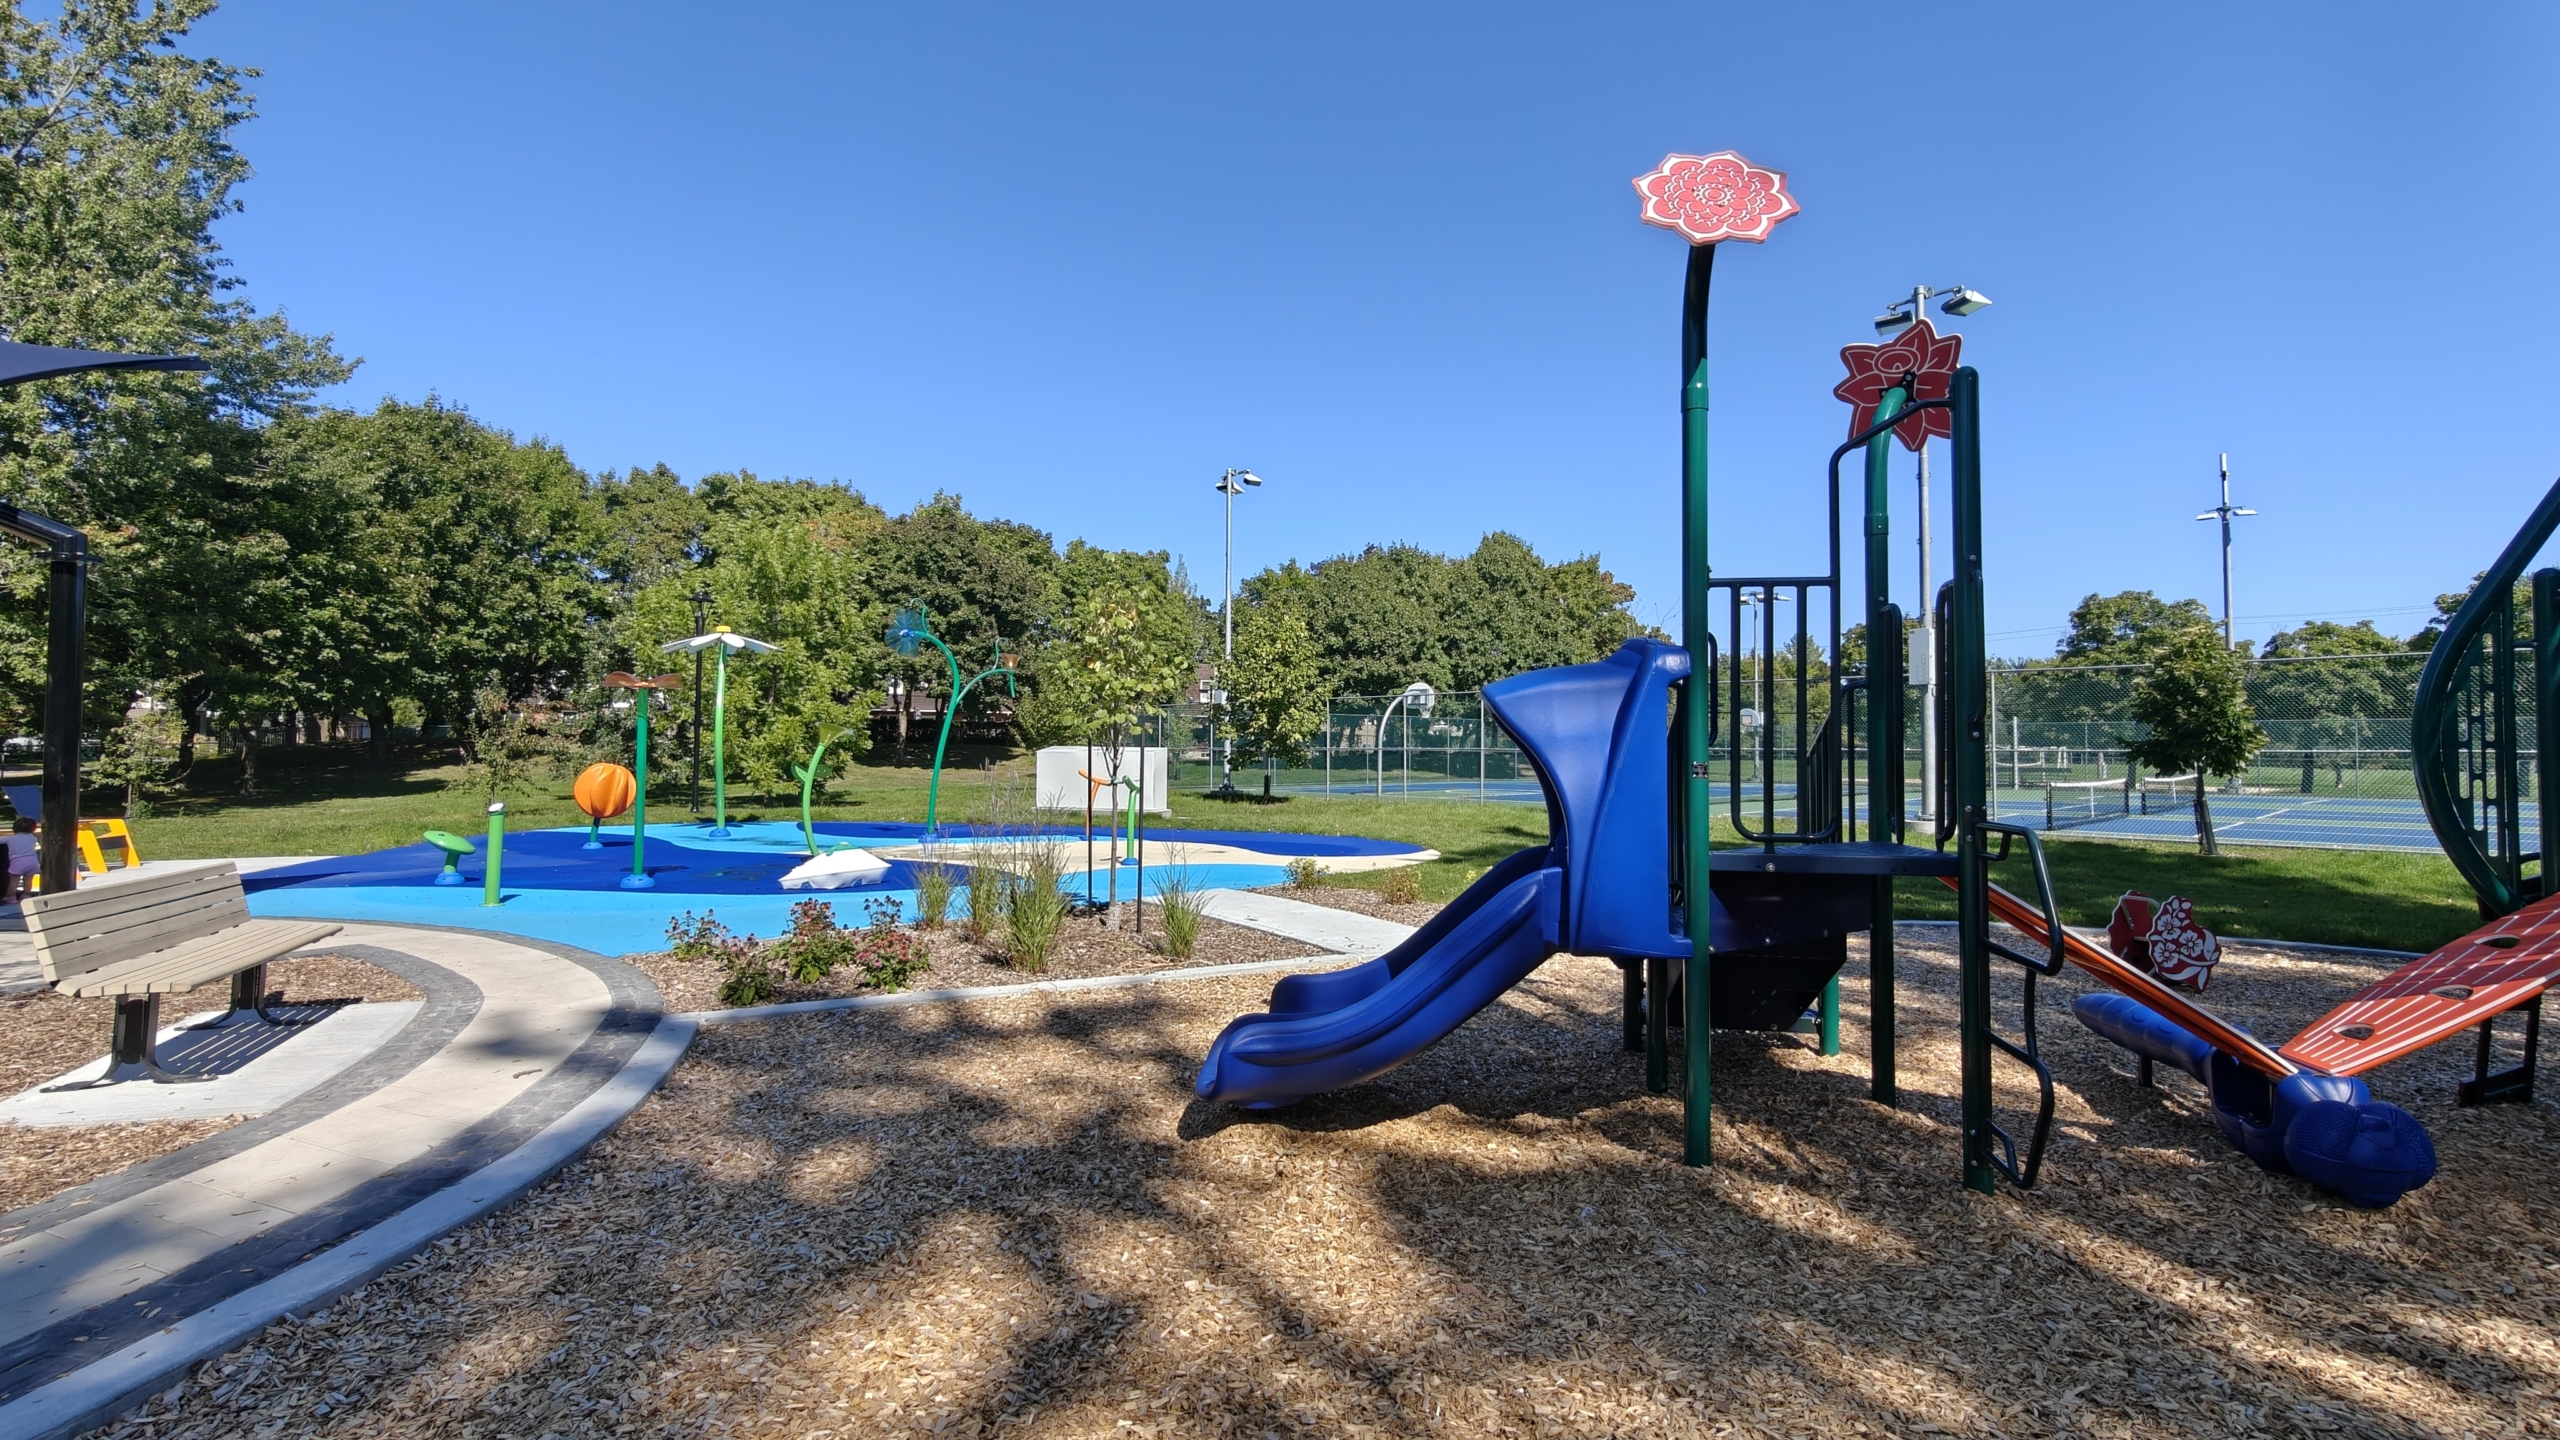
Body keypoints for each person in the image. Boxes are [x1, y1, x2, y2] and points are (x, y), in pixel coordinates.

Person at [2, 816, 35, 905]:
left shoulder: (10, 838)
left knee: (13, 882)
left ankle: (11, 897)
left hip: (18, 862)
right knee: (28, 881)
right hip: (33, 861)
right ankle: (26, 896)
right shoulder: (33, 838)